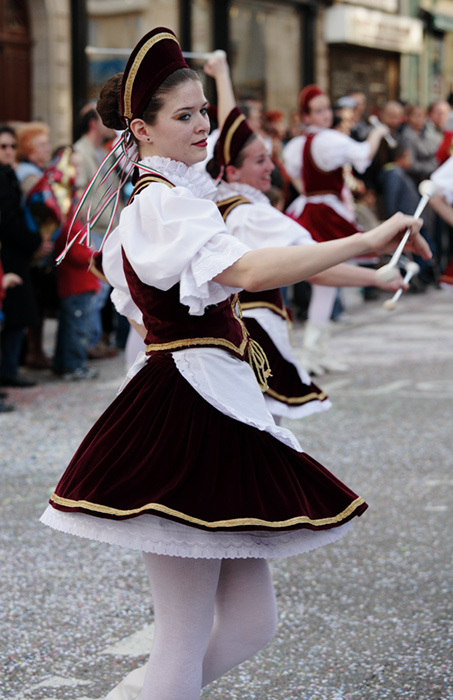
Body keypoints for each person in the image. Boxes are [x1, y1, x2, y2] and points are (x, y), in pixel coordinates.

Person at [39, 28, 430, 700]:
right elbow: (245, 271)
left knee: (252, 624)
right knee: (183, 635)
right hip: (186, 411)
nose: (202, 125)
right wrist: (366, 240)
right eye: (184, 115)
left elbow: (149, 311)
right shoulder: (160, 205)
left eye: (204, 111)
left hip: (217, 397)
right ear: (142, 130)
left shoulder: (181, 201)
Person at [205, 55, 407, 417]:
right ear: (233, 171)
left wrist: (221, 75)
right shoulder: (254, 216)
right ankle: (316, 349)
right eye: (260, 161)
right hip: (254, 333)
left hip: (223, 337)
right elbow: (318, 270)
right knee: (264, 431)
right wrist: (375, 276)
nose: (271, 167)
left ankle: (317, 349)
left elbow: (230, 131)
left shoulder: (214, 200)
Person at [282, 84, 389, 374]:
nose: (326, 115)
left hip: (309, 208)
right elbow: (364, 155)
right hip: (325, 213)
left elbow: (296, 177)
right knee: (326, 281)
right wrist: (378, 133)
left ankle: (316, 352)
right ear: (306, 115)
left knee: (326, 285)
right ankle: (312, 353)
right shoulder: (328, 140)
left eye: (327, 108)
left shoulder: (298, 145)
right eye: (318, 111)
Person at [0, 124, 52, 388]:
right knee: (12, 316)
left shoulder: (9, 173)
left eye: (12, 146)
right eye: (3, 146)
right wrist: (35, 242)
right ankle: (8, 371)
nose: (9, 151)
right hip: (8, 255)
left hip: (16, 253)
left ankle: (10, 369)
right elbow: (7, 222)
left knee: (18, 316)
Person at [73, 103, 119, 359]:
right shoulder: (80, 151)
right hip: (94, 230)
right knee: (95, 291)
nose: (110, 124)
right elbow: (78, 195)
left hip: (106, 228)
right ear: (93, 123)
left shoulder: (102, 151)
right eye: (104, 119)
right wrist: (92, 220)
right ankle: (87, 345)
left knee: (101, 292)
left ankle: (92, 342)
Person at [15, 121, 55, 370]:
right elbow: (40, 210)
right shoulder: (28, 174)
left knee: (37, 302)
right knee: (34, 302)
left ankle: (34, 351)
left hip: (37, 245)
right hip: (32, 247)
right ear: (28, 149)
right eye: (41, 145)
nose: (47, 148)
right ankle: (33, 352)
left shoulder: (36, 171)